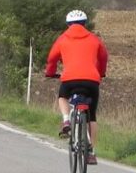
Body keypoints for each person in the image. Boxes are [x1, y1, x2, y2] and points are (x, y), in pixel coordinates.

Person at [45, 9, 108, 166]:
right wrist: (101, 73)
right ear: (85, 23)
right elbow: (104, 57)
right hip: (91, 81)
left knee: (62, 97)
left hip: (70, 80)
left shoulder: (62, 39)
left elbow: (51, 58)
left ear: (68, 24)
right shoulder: (94, 39)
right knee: (91, 116)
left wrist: (50, 73)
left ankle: (66, 120)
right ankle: (91, 152)